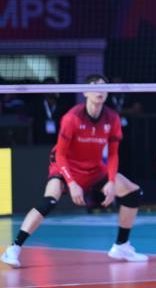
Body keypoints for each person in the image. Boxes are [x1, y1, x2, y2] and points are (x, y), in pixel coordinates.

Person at [2, 75, 148, 268]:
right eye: (95, 87)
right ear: (85, 92)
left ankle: (121, 245)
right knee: (49, 200)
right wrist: (71, 183)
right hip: (66, 167)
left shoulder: (112, 118)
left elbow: (113, 155)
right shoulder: (72, 117)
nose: (100, 91)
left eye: (104, 87)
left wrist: (112, 181)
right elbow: (60, 154)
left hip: (95, 169)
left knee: (133, 193)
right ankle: (14, 248)